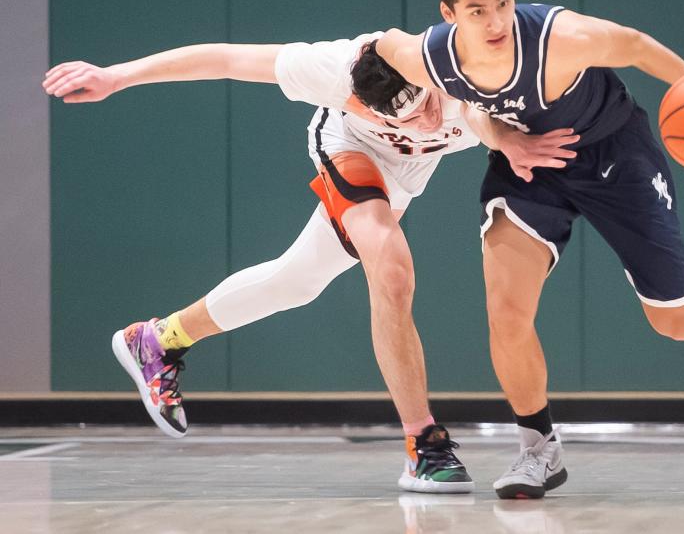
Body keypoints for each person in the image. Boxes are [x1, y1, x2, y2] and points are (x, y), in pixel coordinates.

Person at [42, 32, 578, 494]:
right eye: (408, 116)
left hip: (403, 177)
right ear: (360, 101)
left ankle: (158, 339)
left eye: (429, 105)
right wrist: (116, 76)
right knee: (391, 269)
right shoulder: (328, 70)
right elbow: (222, 59)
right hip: (350, 149)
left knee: (297, 281)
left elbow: (492, 109)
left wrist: (508, 140)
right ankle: (425, 444)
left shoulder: (453, 71)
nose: (427, 120)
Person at [375, 0, 684, 499]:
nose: (496, 22)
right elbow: (394, 58)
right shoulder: (427, 53)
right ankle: (538, 449)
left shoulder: (560, 37)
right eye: (478, 11)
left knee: (672, 318)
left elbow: (636, 45)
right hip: (531, 167)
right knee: (506, 311)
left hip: (616, 156)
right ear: (449, 14)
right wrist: (502, 140)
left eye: (504, 3)